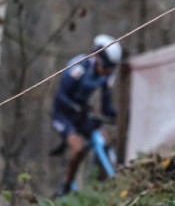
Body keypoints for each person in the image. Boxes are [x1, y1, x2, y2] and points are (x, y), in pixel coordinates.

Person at [51, 34, 122, 196]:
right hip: (63, 114)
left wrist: (117, 117)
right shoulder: (79, 68)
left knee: (104, 139)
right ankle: (66, 187)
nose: (107, 72)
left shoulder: (107, 74)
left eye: (111, 68)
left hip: (81, 114)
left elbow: (106, 106)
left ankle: (103, 180)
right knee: (78, 149)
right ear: (98, 58)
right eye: (106, 67)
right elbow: (61, 96)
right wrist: (76, 108)